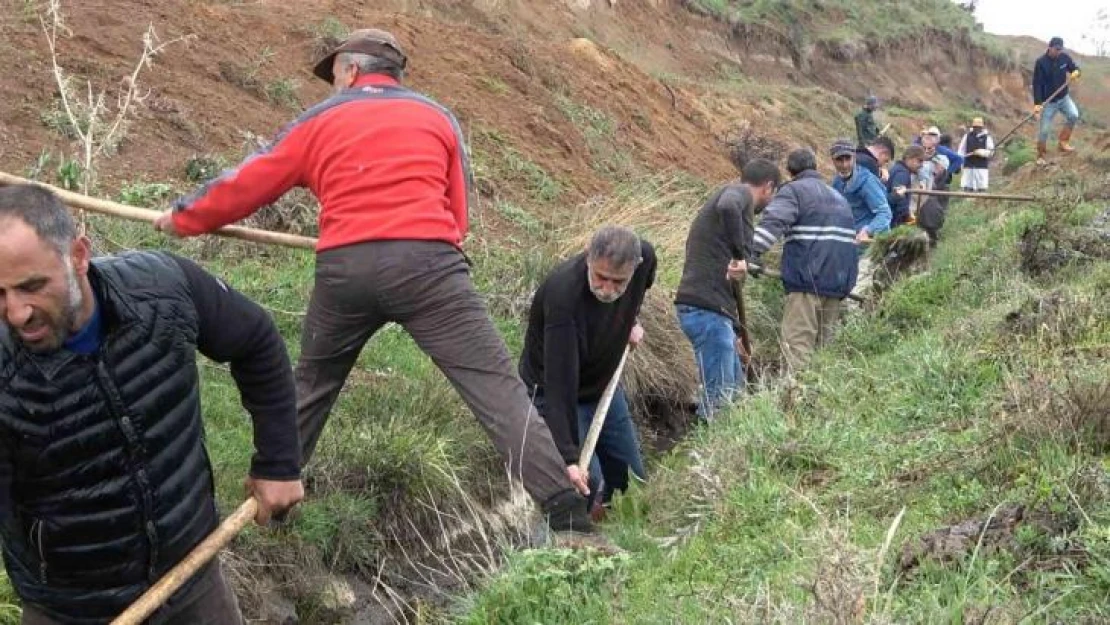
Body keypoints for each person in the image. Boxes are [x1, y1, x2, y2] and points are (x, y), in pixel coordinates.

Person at [154, 29, 596, 532]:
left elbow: (250, 181)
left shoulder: (320, 120)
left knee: (312, 385)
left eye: (335, 75)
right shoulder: (438, 117)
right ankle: (565, 511)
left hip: (347, 269)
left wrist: (184, 218)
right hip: (431, 268)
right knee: (497, 390)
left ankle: (268, 509)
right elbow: (459, 219)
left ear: (352, 70)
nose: (332, 86)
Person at [0, 184, 305, 624]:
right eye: (0, 294)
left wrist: (279, 462)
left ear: (79, 256)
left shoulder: (162, 290)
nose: (16, 313)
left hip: (193, 575)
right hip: (72, 609)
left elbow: (255, 339)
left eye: (32, 287)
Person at [520, 226, 656, 520]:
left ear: (635, 268)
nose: (607, 289)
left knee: (631, 480)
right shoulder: (564, 296)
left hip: (602, 383)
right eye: (601, 277)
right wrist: (568, 459)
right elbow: (560, 384)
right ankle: (560, 543)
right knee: (583, 481)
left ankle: (613, 531)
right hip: (551, 391)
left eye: (618, 282)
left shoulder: (645, 257)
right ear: (588, 259)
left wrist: (631, 321)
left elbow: (638, 293)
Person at [674, 159, 780, 419]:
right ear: (768, 187)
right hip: (704, 310)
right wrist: (738, 256)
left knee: (734, 394)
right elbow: (728, 206)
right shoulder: (738, 194)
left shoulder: (737, 203)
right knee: (720, 399)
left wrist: (735, 332)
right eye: (774, 194)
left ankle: (725, 451)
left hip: (715, 312)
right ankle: (705, 454)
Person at [746, 149, 858, 373]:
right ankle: (822, 401)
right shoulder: (839, 197)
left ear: (790, 171)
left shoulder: (793, 191)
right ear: (815, 167)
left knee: (797, 348)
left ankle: (796, 402)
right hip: (839, 283)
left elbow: (773, 222)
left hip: (808, 281)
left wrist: (751, 253)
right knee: (824, 351)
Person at [829, 138, 891, 242]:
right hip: (851, 241)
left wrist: (868, 231)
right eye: (840, 160)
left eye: (848, 159)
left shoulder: (866, 182)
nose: (844, 165)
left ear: (854, 158)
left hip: (872, 243)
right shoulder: (837, 183)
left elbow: (885, 213)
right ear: (833, 160)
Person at [1033, 36, 1081, 165]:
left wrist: (1076, 72)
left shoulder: (1064, 58)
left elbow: (1074, 68)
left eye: (1060, 49)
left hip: (1064, 97)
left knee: (1074, 115)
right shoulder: (1041, 62)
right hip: (1049, 102)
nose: (1058, 52)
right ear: (1050, 47)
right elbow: (1037, 84)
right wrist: (1037, 104)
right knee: (1044, 130)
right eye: (1056, 49)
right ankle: (1041, 155)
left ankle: (1063, 143)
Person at [887, 145, 925, 227]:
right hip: (893, 219)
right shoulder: (902, 173)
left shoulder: (899, 169)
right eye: (920, 161)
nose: (921, 165)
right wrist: (906, 216)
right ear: (909, 158)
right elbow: (899, 195)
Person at [957, 117, 994, 193]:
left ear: (981, 127)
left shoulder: (987, 137)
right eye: (975, 127)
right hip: (968, 166)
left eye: (978, 127)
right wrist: (961, 160)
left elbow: (991, 152)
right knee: (967, 188)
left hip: (981, 167)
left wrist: (982, 152)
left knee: (981, 189)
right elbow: (961, 150)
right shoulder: (967, 136)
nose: (977, 129)